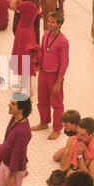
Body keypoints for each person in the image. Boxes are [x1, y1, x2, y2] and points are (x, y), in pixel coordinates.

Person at [31, 12, 69, 141]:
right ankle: (44, 121)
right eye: (49, 21)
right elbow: (43, 51)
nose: (49, 24)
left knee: (57, 103)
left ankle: (57, 128)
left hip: (54, 75)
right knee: (42, 100)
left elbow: (64, 63)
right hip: (43, 72)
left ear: (59, 24)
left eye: (53, 22)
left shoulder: (63, 41)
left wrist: (59, 82)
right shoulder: (45, 34)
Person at [9, 0, 41, 90]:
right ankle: (24, 83)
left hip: (24, 32)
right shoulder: (35, 2)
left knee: (25, 57)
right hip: (27, 30)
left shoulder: (28, 4)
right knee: (24, 56)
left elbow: (12, 6)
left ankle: (28, 88)